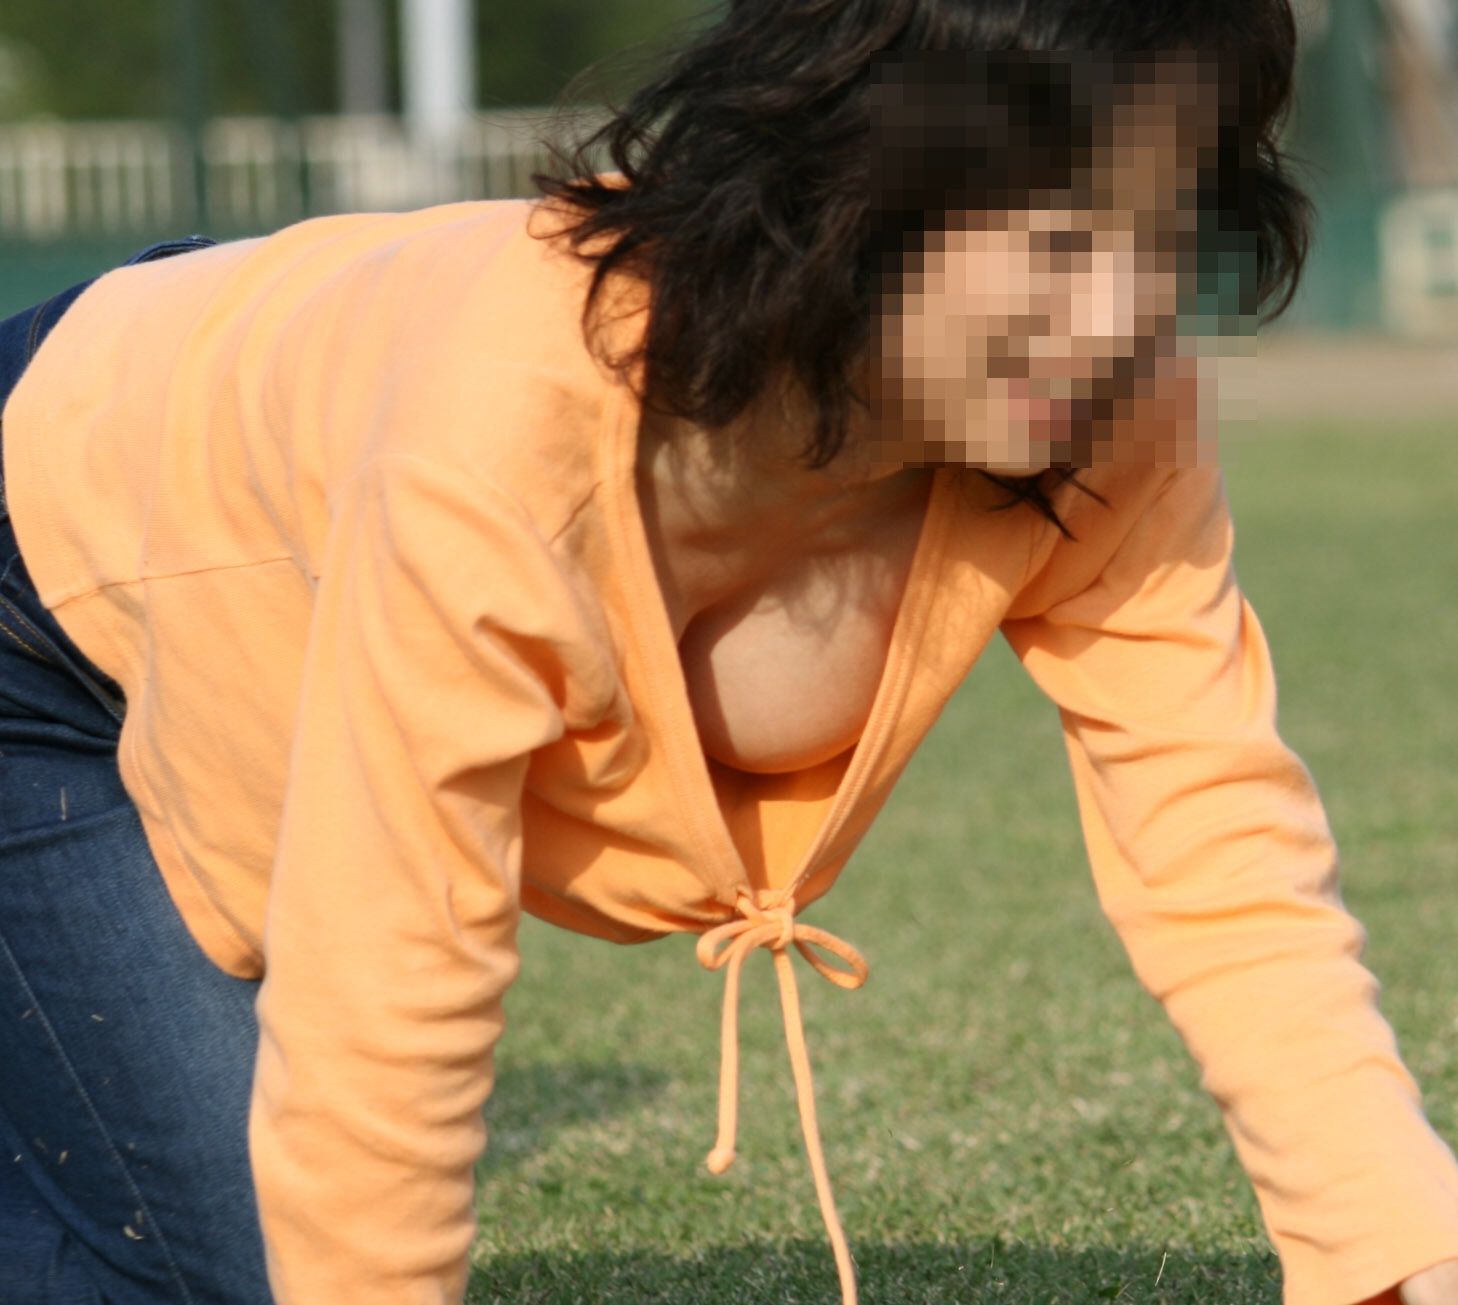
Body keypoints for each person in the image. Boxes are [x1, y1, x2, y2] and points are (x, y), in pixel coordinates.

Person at [1, 1, 1456, 1303]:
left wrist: (1394, 1238)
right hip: (51, 587)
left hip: (260, 374)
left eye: (1163, 235)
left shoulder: (1115, 414)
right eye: (1058, 243)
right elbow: (390, 967)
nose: (1114, 320)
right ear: (847, 185)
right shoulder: (500, 429)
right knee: (235, 1255)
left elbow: (1218, 833)